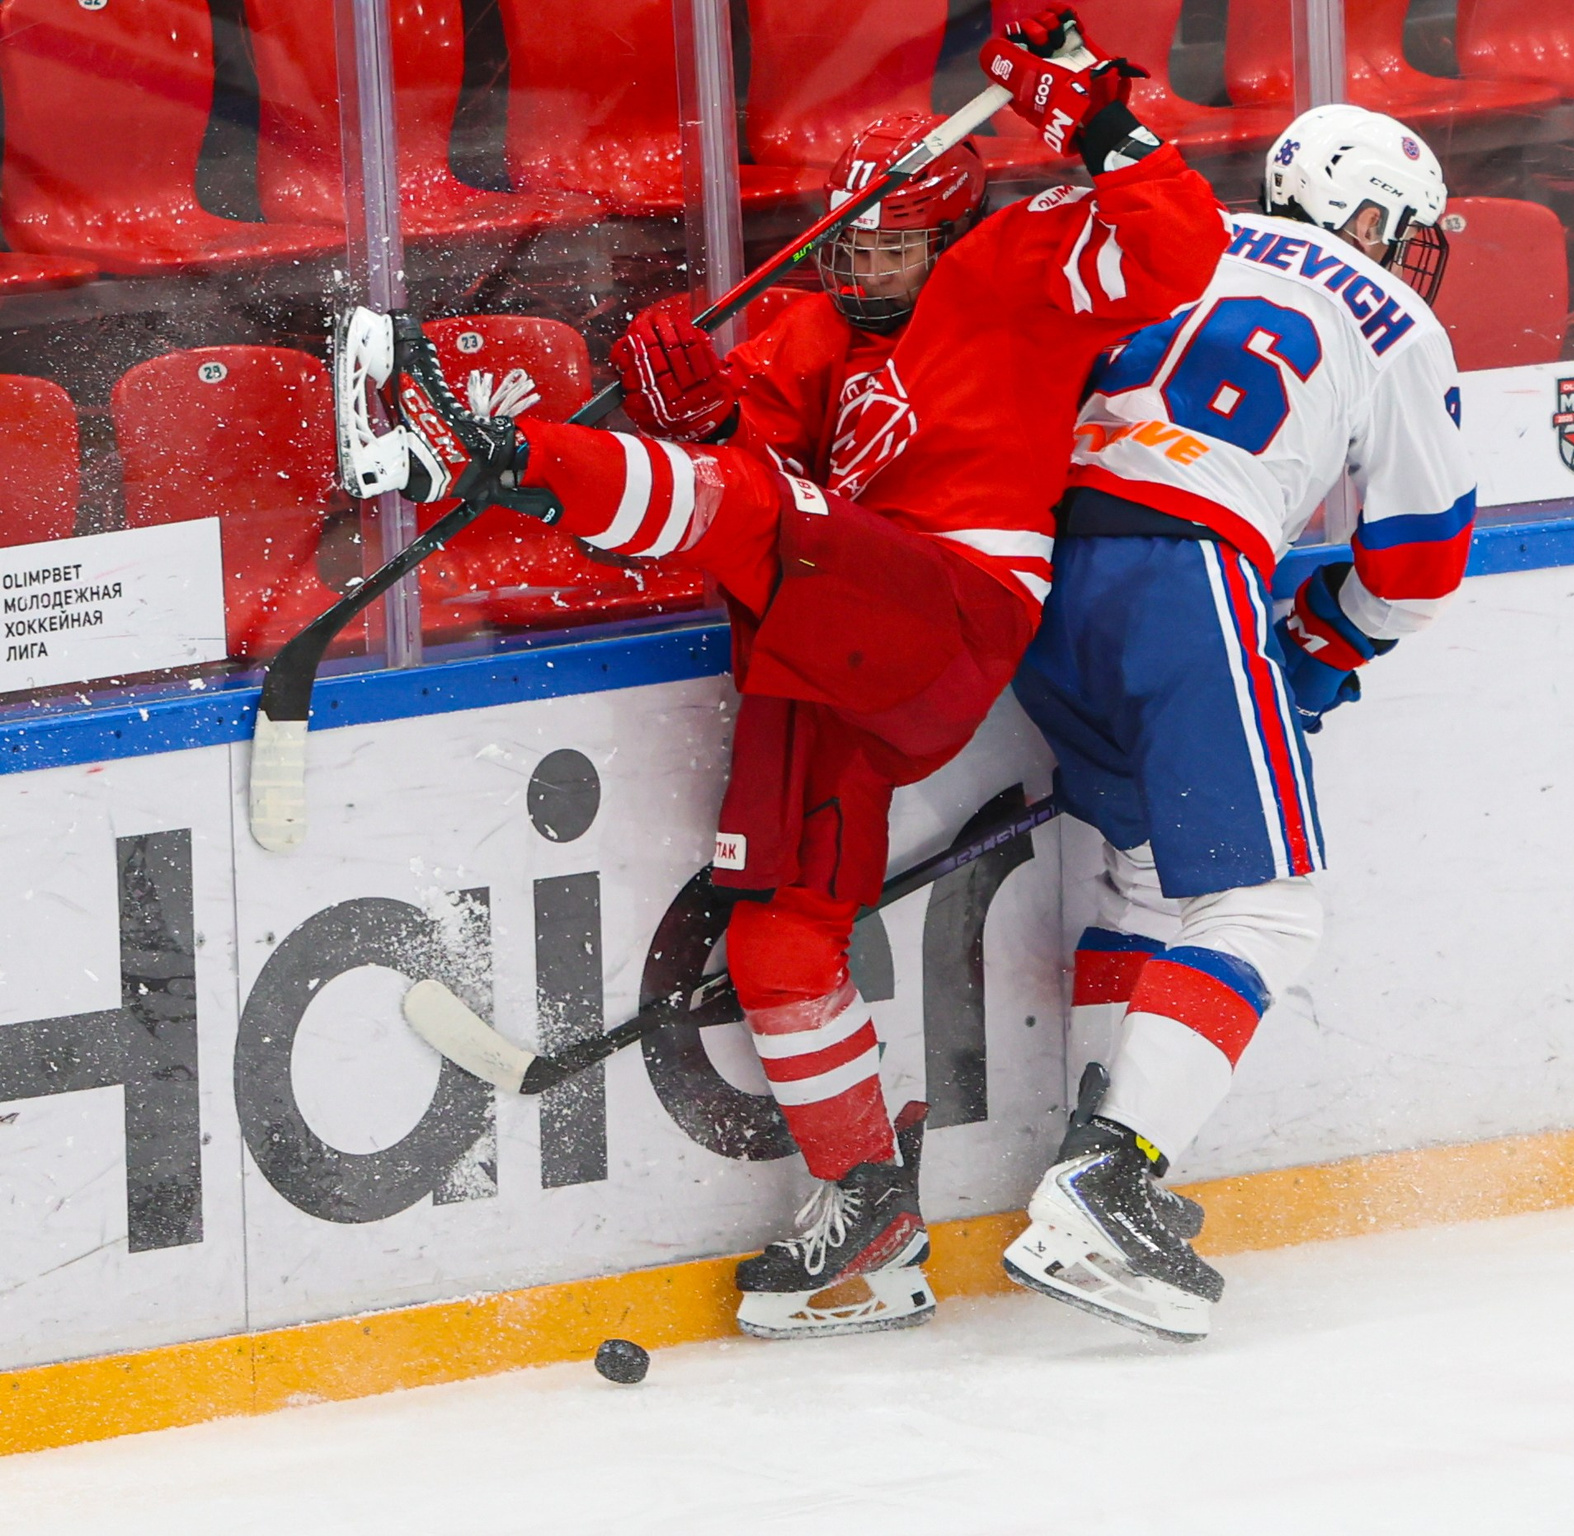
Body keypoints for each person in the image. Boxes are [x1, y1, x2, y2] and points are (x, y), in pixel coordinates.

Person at [359, 10, 1226, 1339]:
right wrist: (701, 418)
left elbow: (1180, 243)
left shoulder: (1019, 268)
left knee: (776, 517)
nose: (868, 266)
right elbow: (744, 476)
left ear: (949, 231)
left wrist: (1090, 107)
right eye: (853, 244)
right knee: (777, 936)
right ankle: (867, 1221)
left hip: (951, 608)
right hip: (835, 635)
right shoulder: (811, 329)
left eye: (895, 245)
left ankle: (493, 454)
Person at [1002, 103, 1478, 1342]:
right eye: (1403, 228)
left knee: (1145, 879)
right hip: (1186, 575)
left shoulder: (1173, 233)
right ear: (1362, 214)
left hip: (1041, 575)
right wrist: (1321, 643)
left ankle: (1084, 1154)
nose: (1407, 254)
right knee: (1269, 906)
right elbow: (1419, 566)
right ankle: (1108, 1184)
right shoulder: (1392, 314)